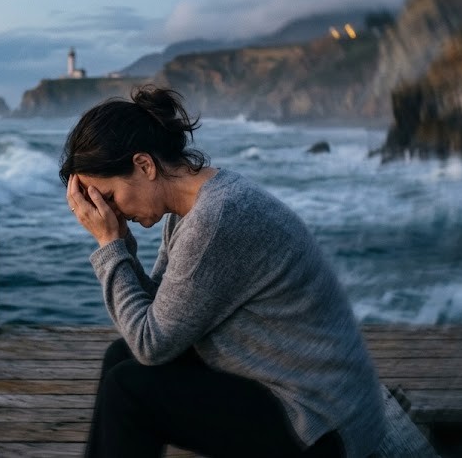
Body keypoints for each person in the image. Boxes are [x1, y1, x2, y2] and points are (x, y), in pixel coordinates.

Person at [60, 86, 385, 458]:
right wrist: (120, 245)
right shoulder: (198, 206)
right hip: (297, 389)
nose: (110, 212)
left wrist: (110, 245)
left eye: (109, 197)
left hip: (322, 423)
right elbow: (158, 315)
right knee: (122, 357)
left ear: (145, 165)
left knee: (128, 390)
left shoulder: (214, 221)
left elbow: (151, 344)